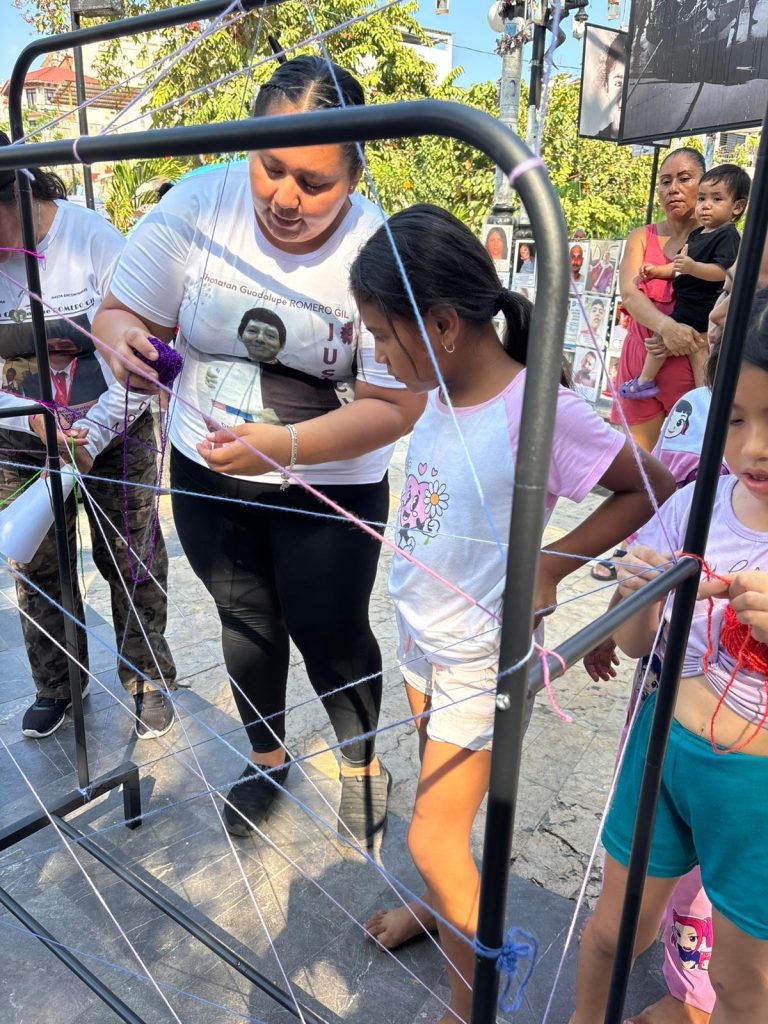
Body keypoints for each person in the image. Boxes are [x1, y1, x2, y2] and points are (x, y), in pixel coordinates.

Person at [349, 204, 675, 1024]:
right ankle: (438, 904)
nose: (380, 355)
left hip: (479, 659)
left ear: (446, 324)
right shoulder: (437, 390)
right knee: (439, 810)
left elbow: (649, 486)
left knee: (428, 832)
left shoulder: (537, 410)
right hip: (426, 637)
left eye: (385, 336)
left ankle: (472, 1007)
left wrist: (553, 565)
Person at [92, 56, 423, 845]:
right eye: (269, 169)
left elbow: (398, 403)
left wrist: (289, 445)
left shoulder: (378, 248)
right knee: (245, 624)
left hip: (330, 483)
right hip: (208, 469)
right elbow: (115, 313)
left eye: (314, 184)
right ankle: (267, 755)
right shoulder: (199, 204)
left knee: (330, 627)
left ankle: (361, 765)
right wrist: (125, 342)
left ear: (356, 170)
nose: (283, 199)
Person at [572, 290, 768, 1024]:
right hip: (662, 751)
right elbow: (634, 647)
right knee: (612, 932)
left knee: (744, 981)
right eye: (737, 418)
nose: (752, 447)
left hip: (756, 791)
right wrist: (638, 601)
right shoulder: (697, 507)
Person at [0, 139, 177, 740]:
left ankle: (146, 677)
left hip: (115, 427)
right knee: (38, 565)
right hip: (19, 438)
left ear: (18, 193)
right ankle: (57, 684)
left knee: (130, 558)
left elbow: (146, 360)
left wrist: (92, 431)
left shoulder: (93, 239)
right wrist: (30, 422)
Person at [620, 164, 749, 400]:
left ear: (737, 206)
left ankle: (656, 384)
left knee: (692, 349)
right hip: (687, 304)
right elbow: (679, 266)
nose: (706, 205)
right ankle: (664, 386)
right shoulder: (698, 235)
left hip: (703, 306)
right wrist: (658, 270)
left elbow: (723, 271)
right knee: (671, 343)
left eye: (717, 199)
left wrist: (693, 267)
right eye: (702, 198)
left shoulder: (728, 235)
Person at [611, 148, 708, 453]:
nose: (673, 189)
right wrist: (668, 330)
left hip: (693, 366)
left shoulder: (720, 240)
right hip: (639, 369)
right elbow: (630, 293)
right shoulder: (641, 236)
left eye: (684, 178)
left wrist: (684, 338)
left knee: (687, 469)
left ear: (704, 184)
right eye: (665, 182)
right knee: (641, 473)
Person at [594, 32, 626, 141]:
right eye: (618, 84)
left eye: (632, 84)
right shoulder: (597, 141)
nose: (625, 95)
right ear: (606, 87)